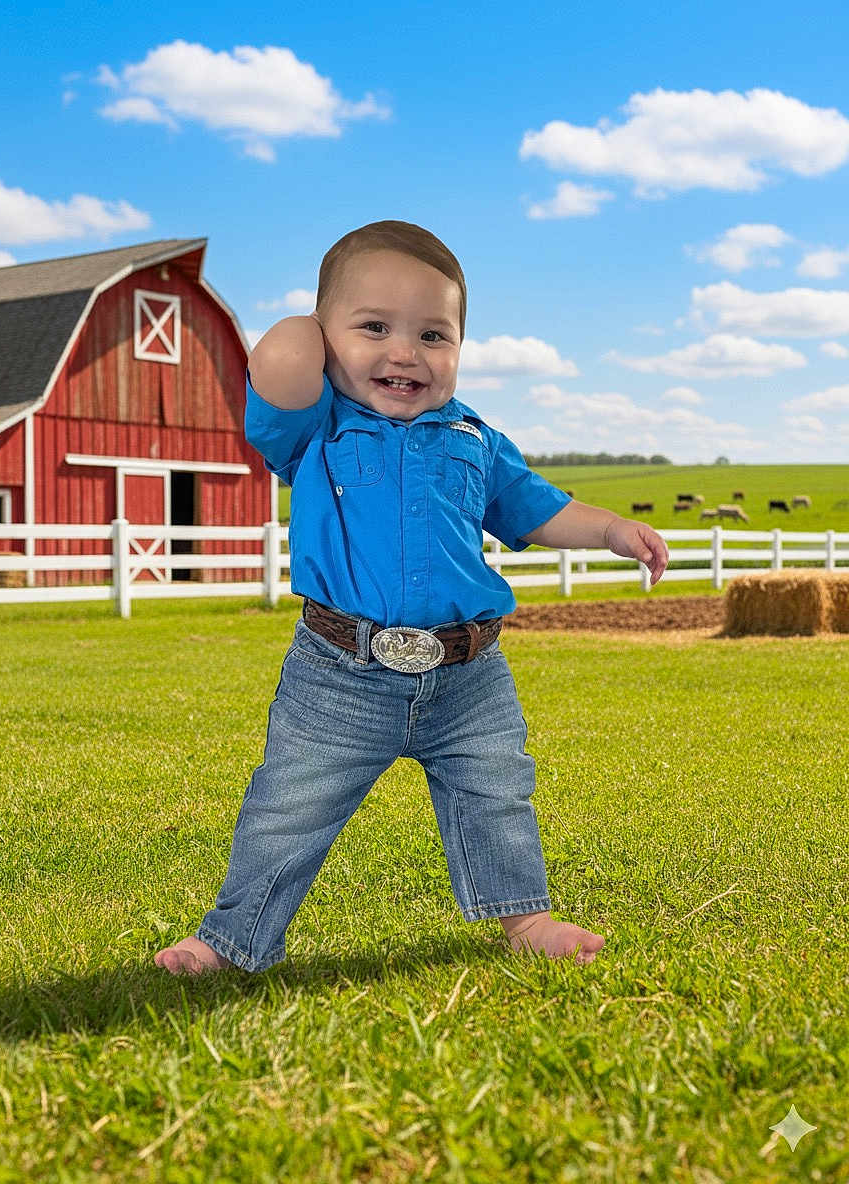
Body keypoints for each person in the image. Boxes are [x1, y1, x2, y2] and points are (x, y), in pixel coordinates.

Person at [155, 220, 668, 976]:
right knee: (288, 809)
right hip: (340, 671)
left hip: (469, 671)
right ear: (325, 342)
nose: (405, 353)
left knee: (497, 793)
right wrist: (314, 331)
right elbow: (277, 363)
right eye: (373, 328)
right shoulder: (315, 429)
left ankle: (525, 919)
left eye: (434, 335)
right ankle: (231, 941)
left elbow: (538, 508)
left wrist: (615, 530)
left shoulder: (475, 440)